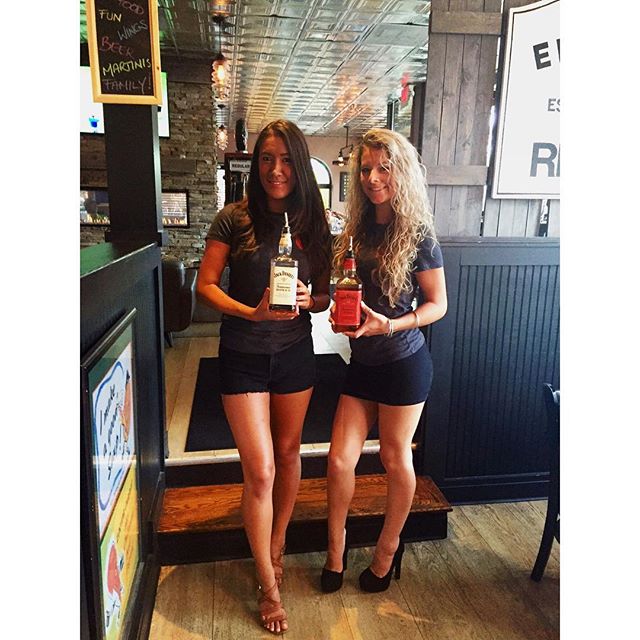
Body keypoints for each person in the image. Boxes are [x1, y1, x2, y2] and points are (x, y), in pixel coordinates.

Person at [196, 120, 332, 633]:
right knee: (261, 471)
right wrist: (249, 312)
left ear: (300, 165)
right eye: (267, 159)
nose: (276, 170)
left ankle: (276, 546)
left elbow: (325, 294)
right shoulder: (233, 218)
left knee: (290, 454)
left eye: (286, 160)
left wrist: (311, 301)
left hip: (295, 353)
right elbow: (206, 285)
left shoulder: (313, 223)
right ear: (256, 165)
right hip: (243, 355)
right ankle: (267, 583)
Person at [320, 128, 447, 594]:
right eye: (366, 169)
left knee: (395, 458)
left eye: (383, 168)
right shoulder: (356, 230)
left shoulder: (419, 235)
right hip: (363, 362)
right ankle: (335, 550)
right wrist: (341, 315)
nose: (373, 178)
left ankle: (387, 551)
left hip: (403, 364)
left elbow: (438, 305)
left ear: (402, 173)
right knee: (339, 461)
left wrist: (389, 324)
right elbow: (349, 291)